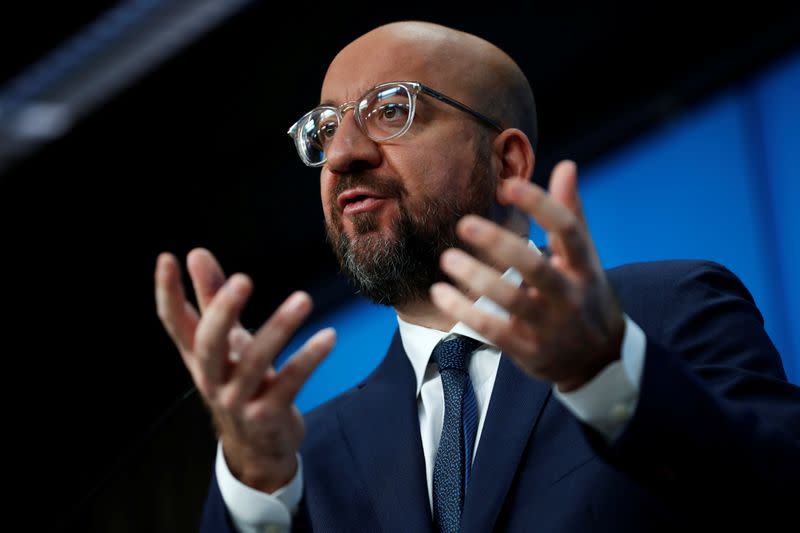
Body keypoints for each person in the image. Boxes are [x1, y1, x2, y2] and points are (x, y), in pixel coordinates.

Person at [154, 20, 800, 533]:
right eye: (326, 128)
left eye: (391, 109)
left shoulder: (665, 312)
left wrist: (607, 377)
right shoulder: (304, 458)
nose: (344, 153)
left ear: (508, 162)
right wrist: (255, 485)